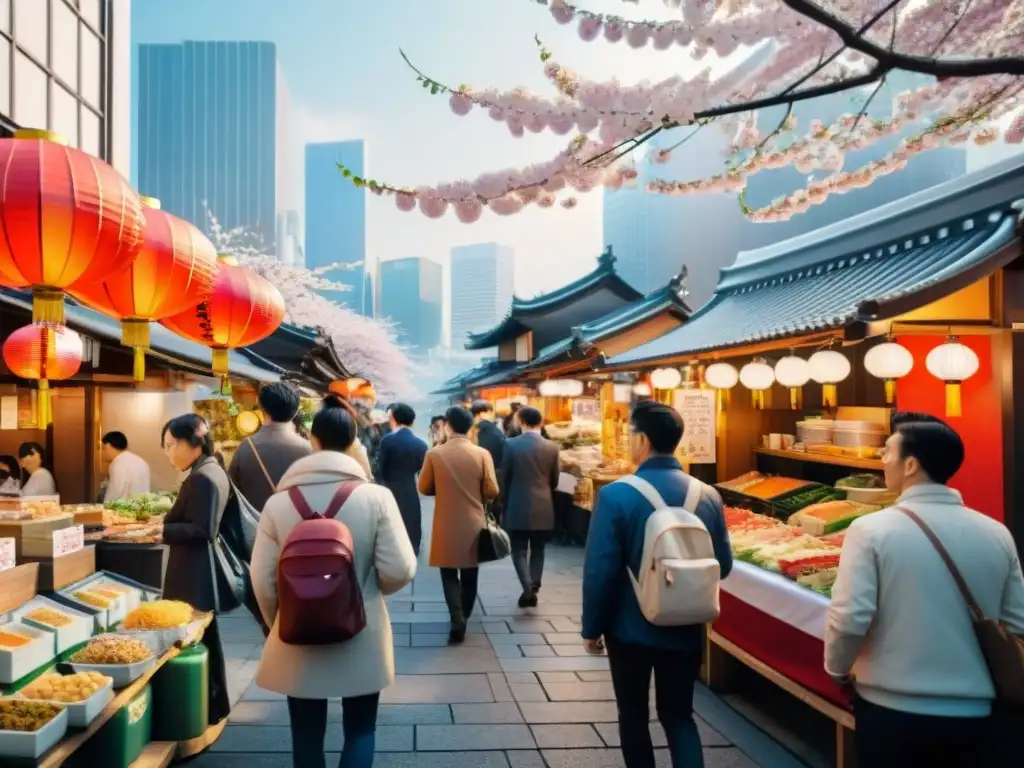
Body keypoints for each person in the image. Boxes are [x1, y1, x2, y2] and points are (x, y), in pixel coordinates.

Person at [825, 412, 1024, 767]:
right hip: (980, 715)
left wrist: (837, 667)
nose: (882, 460)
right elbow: (1016, 624)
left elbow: (849, 618)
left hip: (893, 710)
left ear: (911, 464)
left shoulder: (871, 530)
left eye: (887, 451)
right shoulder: (997, 533)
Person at [251, 395, 416, 768]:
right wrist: (366, 592)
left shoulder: (278, 503)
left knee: (306, 736)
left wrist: (284, 617)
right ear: (354, 440)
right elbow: (401, 568)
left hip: (296, 635)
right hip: (362, 631)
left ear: (312, 440)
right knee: (361, 730)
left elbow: (261, 579)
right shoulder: (377, 497)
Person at [582, 400, 733, 768]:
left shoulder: (616, 495)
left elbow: (601, 570)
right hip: (685, 626)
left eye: (631, 434)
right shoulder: (707, 495)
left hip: (629, 629)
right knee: (679, 716)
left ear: (644, 441)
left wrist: (593, 628)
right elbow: (723, 566)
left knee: (633, 716)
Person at [159, 414, 232, 726]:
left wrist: (160, 531)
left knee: (198, 640)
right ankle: (214, 706)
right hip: (197, 570)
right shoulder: (207, 469)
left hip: (194, 573)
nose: (168, 453)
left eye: (171, 445)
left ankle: (205, 708)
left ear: (193, 442)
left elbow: (201, 529)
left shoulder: (203, 477)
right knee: (206, 640)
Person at [419, 405, 499, 644]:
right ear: (470, 427)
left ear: (447, 425)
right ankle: (464, 615)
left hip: (445, 522)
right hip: (474, 522)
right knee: (470, 572)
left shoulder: (435, 454)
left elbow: (423, 487)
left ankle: (456, 619)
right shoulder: (482, 454)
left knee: (448, 572)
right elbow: (492, 490)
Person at [500, 406, 559, 607]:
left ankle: (527, 589)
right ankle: (534, 584)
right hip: (544, 505)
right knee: (539, 549)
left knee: (518, 550)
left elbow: (504, 477)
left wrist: (502, 503)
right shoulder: (552, 447)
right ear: (540, 423)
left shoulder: (509, 445)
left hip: (517, 504)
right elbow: (555, 480)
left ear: (521, 422)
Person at [228, 382, 312, 514]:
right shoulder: (310, 450)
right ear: (296, 411)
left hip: (258, 529)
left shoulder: (246, 448)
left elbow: (231, 493)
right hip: (301, 530)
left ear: (262, 409)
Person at [376, 403, 429, 555]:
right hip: (410, 490)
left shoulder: (387, 441)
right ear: (411, 422)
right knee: (411, 522)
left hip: (389, 489)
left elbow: (380, 469)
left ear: (393, 419)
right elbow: (424, 473)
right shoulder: (420, 444)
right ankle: (413, 549)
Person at [101, 431, 151, 502]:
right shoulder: (141, 461)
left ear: (109, 446)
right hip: (142, 508)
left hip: (124, 509)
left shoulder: (118, 463)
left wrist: (105, 507)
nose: (103, 453)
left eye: (104, 449)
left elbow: (115, 491)